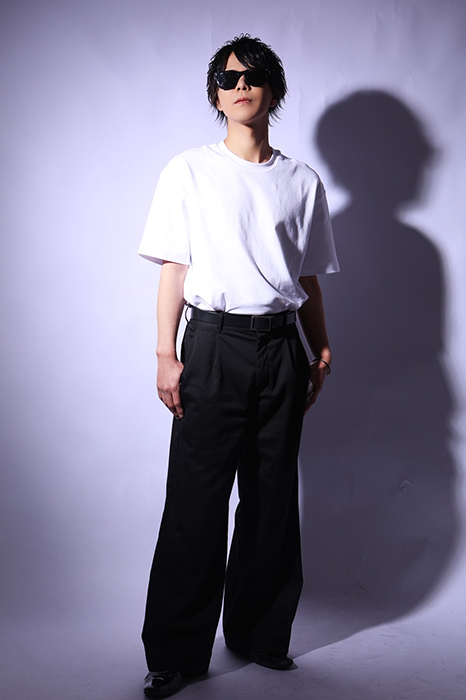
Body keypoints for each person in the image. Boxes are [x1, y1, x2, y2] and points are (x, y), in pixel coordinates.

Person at [138, 34, 339, 698]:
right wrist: (166, 353)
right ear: (216, 95)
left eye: (252, 76)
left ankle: (260, 635)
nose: (240, 85)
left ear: (272, 89)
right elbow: (175, 268)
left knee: (271, 499)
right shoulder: (189, 171)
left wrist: (320, 347)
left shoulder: (301, 181)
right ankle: (175, 652)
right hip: (212, 344)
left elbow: (306, 276)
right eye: (227, 78)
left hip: (282, 347)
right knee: (195, 500)